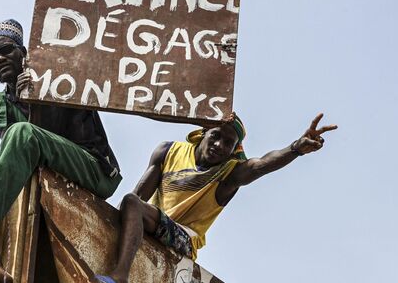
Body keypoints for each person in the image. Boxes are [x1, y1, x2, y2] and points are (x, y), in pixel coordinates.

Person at [0, 19, 122, 283]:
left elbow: (44, 141)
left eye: (6, 50)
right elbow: (19, 156)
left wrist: (35, 100)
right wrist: (24, 103)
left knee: (22, 133)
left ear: (23, 53)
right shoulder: (1, 105)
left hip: (93, 169)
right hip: (41, 168)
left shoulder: (56, 80)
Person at [95, 113, 337, 283]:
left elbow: (261, 164)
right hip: (151, 221)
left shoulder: (230, 173)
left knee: (132, 204)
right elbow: (137, 198)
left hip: (183, 238)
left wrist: (295, 148)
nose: (220, 146)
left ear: (234, 150)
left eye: (228, 144)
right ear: (203, 133)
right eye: (216, 136)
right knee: (129, 202)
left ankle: (119, 278)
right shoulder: (168, 151)